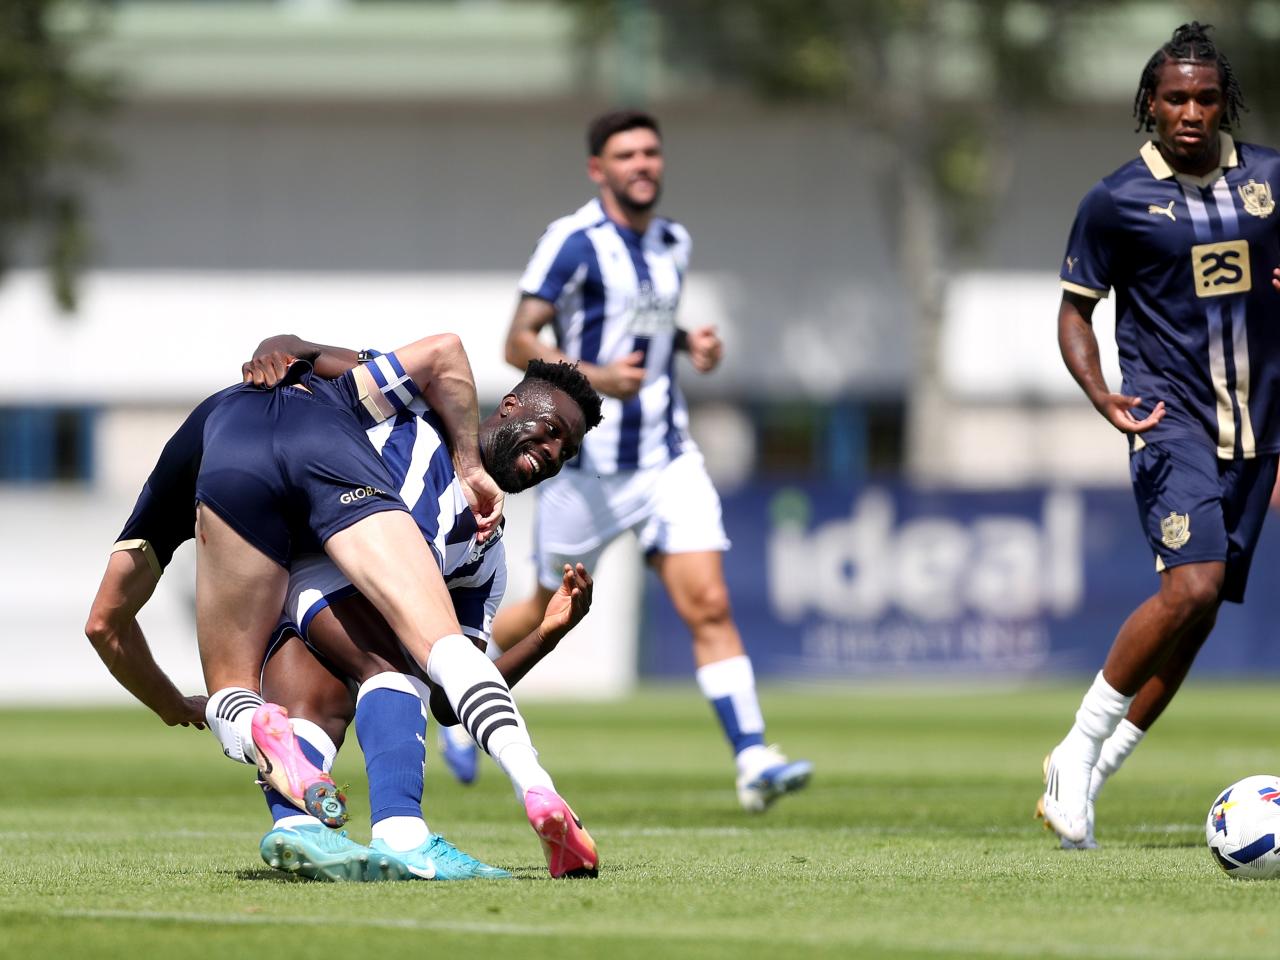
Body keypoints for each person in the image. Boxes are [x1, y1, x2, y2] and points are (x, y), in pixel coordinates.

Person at [87, 334, 603, 877]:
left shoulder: (486, 555)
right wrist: (278, 348)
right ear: (511, 405)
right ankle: (446, 819)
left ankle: (294, 820)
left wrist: (544, 634)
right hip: (319, 507)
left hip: (260, 514)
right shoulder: (415, 406)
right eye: (551, 432)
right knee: (407, 656)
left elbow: (452, 706)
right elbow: (325, 352)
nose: (551, 454)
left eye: (565, 453)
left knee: (285, 691)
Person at [492, 109, 812, 812]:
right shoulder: (571, 241)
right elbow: (517, 342)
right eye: (626, 154)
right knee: (546, 606)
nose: (642, 164)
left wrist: (688, 343)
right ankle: (470, 685)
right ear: (598, 169)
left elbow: (648, 321)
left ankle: (753, 757)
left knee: (710, 602)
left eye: (651, 153)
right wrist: (595, 378)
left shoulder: (673, 240)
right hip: (587, 469)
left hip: (667, 458)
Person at [1039, 22, 1280, 849]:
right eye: (1175, 97)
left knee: (1199, 615)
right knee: (1192, 588)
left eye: (1205, 97)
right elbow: (1076, 311)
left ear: (1224, 104)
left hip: (1259, 426)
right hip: (1168, 418)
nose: (1190, 111)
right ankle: (1073, 751)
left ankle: (1101, 769)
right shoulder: (1115, 200)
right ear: (1150, 102)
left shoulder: (1272, 182)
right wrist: (1101, 390)